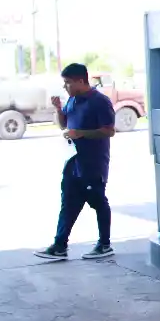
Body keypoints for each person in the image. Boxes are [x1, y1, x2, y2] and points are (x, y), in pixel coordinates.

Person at [34, 63, 116, 262]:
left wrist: (81, 134)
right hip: (72, 162)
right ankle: (59, 245)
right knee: (68, 202)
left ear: (81, 81)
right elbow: (64, 124)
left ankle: (104, 244)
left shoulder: (99, 101)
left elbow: (109, 130)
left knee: (97, 200)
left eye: (68, 83)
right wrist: (59, 110)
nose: (66, 87)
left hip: (92, 162)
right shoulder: (72, 100)